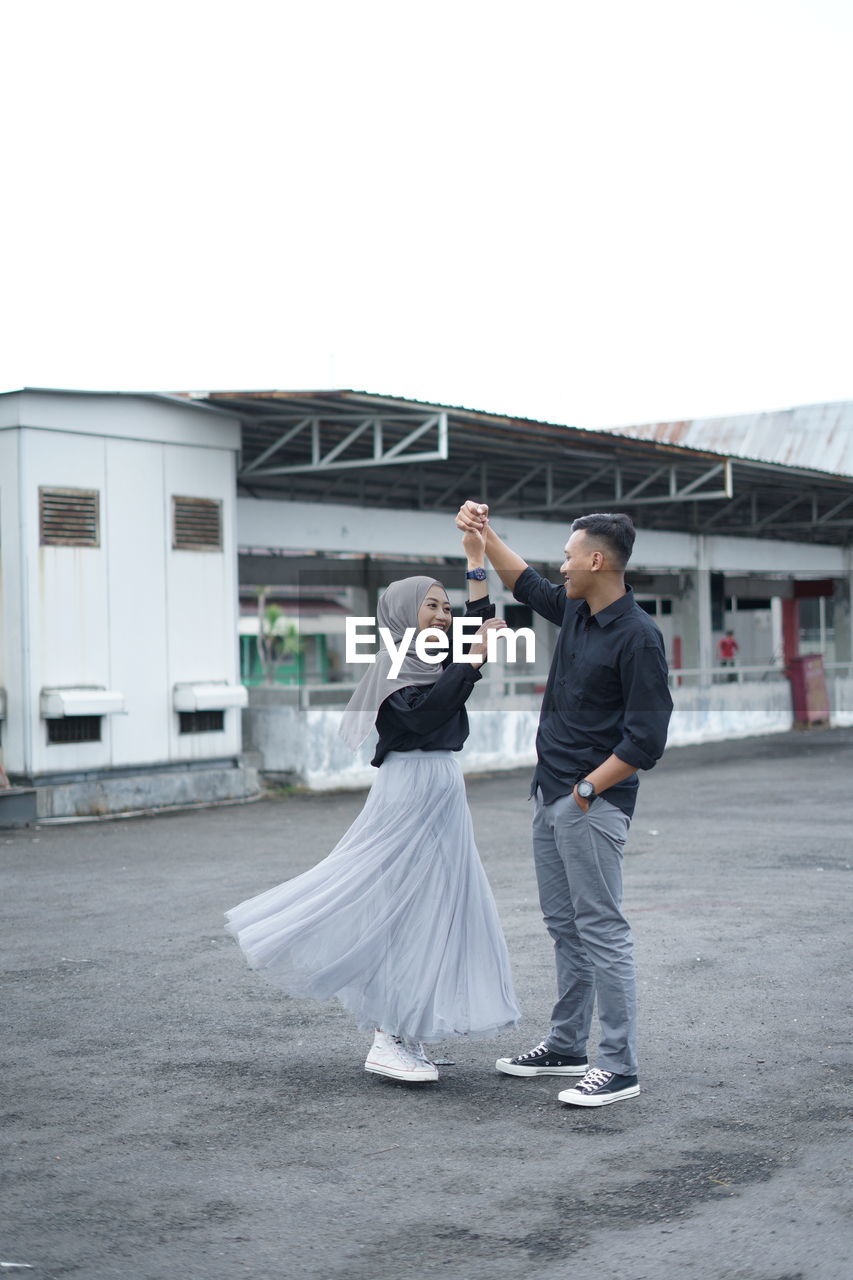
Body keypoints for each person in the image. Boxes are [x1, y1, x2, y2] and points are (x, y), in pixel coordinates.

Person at [225, 532, 520, 1084]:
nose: (441, 615)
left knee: (439, 906)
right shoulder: (394, 663)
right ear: (404, 612)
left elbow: (483, 626)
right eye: (430, 605)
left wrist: (476, 561)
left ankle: (409, 1029)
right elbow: (419, 718)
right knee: (400, 908)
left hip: (443, 788)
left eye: (445, 607)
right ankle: (386, 1035)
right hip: (408, 787)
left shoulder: (439, 658)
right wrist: (472, 663)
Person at [455, 502, 672, 1107]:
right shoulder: (576, 610)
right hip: (550, 793)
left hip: (589, 802)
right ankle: (567, 1044)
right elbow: (521, 580)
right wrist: (484, 533)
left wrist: (586, 790)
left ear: (597, 560)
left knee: (601, 929)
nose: (563, 565)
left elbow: (647, 740)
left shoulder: (639, 637)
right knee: (564, 928)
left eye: (570, 555)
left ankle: (619, 1065)